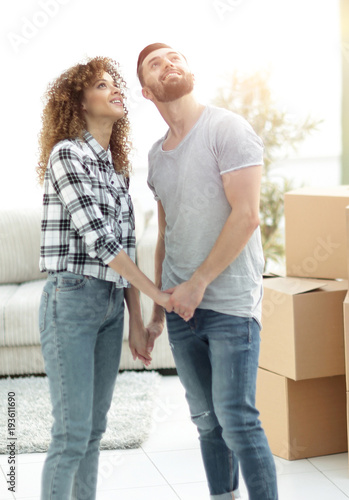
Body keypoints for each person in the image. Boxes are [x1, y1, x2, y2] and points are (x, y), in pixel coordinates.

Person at [137, 43, 279, 500]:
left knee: (236, 417)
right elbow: (167, 233)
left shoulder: (227, 128)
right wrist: (158, 311)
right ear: (146, 90)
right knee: (206, 421)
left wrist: (198, 283)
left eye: (175, 56)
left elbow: (247, 216)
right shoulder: (157, 156)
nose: (169, 63)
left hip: (229, 301)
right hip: (180, 309)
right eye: (156, 64)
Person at [37, 56, 171, 500]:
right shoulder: (67, 155)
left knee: (94, 430)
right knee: (72, 433)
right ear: (79, 102)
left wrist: (136, 316)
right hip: (71, 300)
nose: (116, 90)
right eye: (101, 84)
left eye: (117, 84)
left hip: (111, 304)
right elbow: (100, 242)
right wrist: (159, 296)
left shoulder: (117, 171)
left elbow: (127, 245)